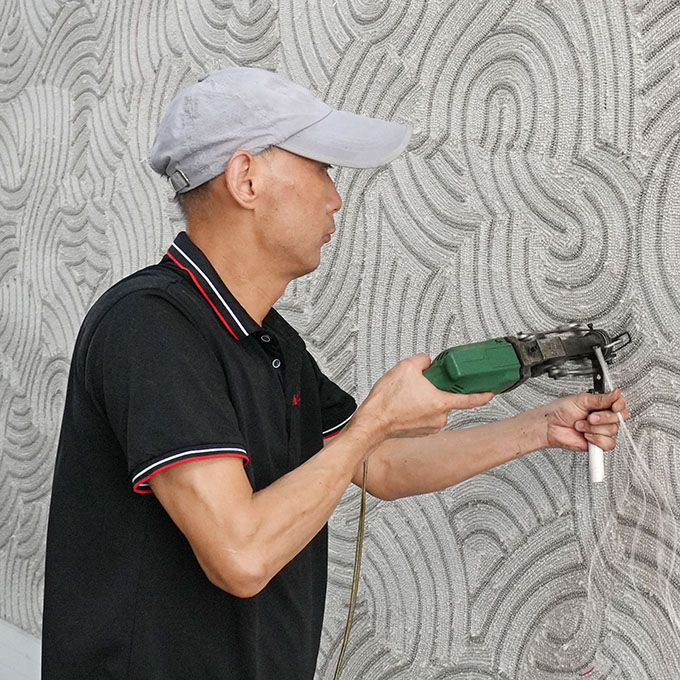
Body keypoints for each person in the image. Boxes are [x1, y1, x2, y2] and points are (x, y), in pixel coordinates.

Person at [41, 67, 628, 680]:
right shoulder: (151, 327)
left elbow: (379, 465)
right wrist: (374, 422)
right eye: (320, 166)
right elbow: (239, 555)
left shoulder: (270, 342)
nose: (335, 196)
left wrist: (543, 427)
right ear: (246, 178)